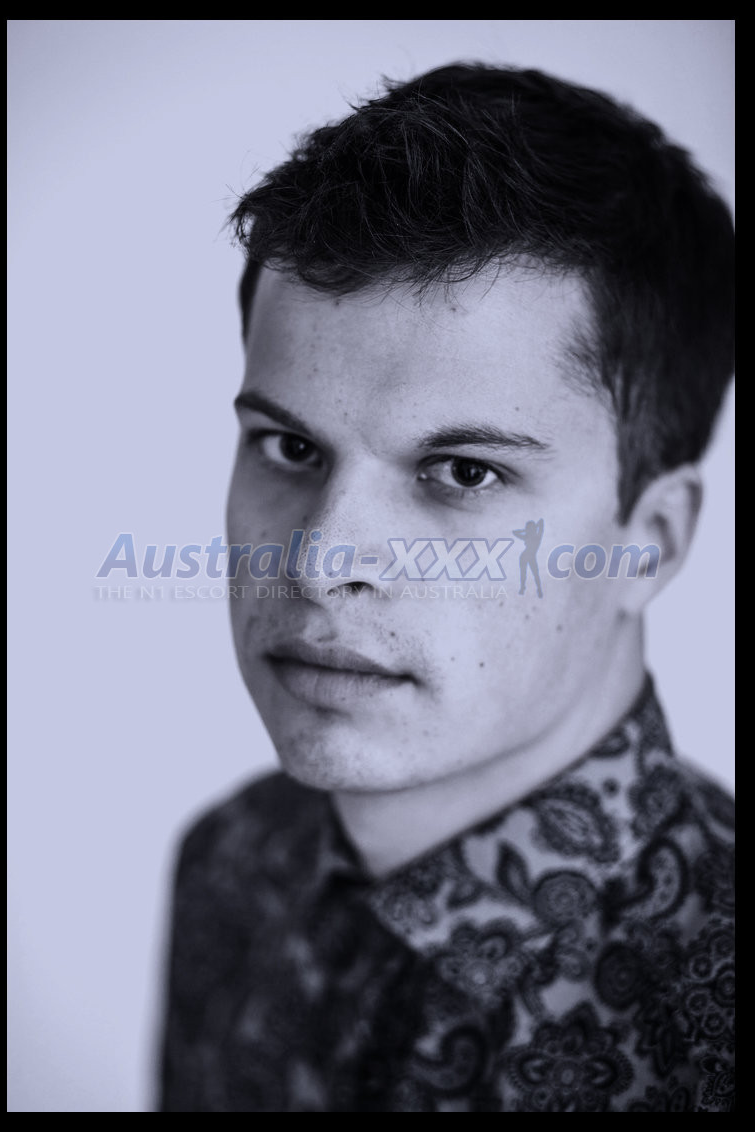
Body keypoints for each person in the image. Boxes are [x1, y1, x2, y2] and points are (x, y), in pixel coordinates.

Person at [158, 63, 734, 1112]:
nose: (320, 560)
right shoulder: (231, 865)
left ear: (649, 543)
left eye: (463, 473)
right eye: (289, 446)